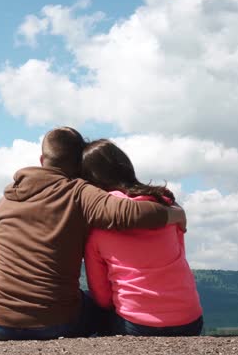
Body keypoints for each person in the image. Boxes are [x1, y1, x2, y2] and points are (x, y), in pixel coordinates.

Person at [0, 127, 187, 341]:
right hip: (56, 323)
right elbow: (129, 213)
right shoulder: (78, 192)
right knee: (101, 308)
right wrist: (175, 214)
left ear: (42, 159)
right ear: (78, 163)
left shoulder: (6, 200)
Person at [81, 139, 203, 336]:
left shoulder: (99, 226)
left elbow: (102, 298)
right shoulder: (167, 207)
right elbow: (180, 254)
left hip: (137, 325)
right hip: (190, 320)